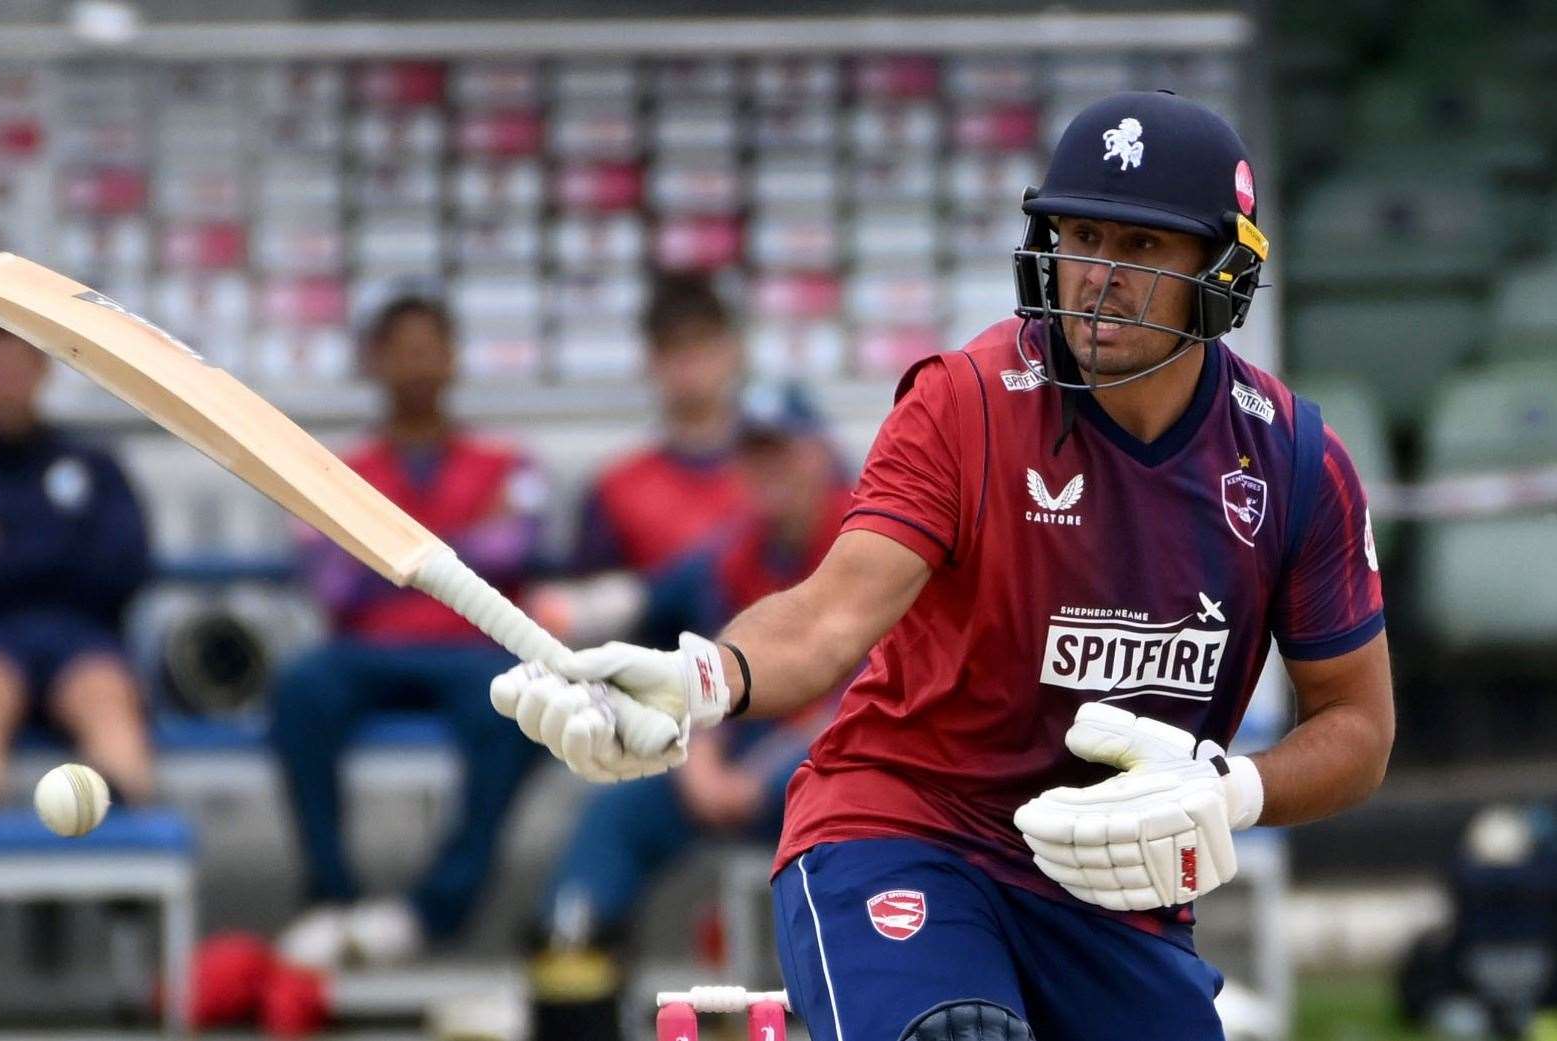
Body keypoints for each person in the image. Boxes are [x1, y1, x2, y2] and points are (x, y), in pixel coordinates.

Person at [493, 91, 1394, 1041]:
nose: (1098, 276)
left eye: (1140, 248)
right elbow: (831, 615)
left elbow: (1358, 725)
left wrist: (1230, 789)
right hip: (906, 831)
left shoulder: (1292, 459)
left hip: (1108, 884)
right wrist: (698, 679)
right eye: (1081, 236)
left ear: (1221, 270)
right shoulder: (965, 401)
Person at [529, 383, 851, 1041]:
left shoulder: (864, 539)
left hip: (845, 761)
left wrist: (756, 775)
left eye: (781, 453)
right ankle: (574, 986)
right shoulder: (736, 550)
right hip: (739, 754)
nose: (767, 471)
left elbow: (868, 688)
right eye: (753, 456)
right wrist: (698, 762)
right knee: (615, 812)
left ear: (818, 454)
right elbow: (697, 654)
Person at [271, 296, 549, 969]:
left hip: (470, 648)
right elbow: (327, 579)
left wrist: (385, 552)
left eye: (430, 346)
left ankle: (433, 909)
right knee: (299, 685)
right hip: (364, 650)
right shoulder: (334, 469)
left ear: (453, 358)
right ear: (374, 360)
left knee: (525, 706)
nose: (417, 363)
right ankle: (334, 897)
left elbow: (521, 545)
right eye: (401, 348)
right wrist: (460, 544)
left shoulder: (507, 461)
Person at [0, 310, 153, 808]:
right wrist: (57, 549)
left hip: (82, 638)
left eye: (13, 367)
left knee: (104, 693)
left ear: (42, 370)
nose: (2, 383)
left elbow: (123, 567)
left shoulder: (93, 467)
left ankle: (122, 836)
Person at [570, 272, 748, 577]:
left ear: (733, 350)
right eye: (673, 347)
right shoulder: (615, 489)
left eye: (703, 342)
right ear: (650, 360)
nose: (690, 362)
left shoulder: (794, 468)